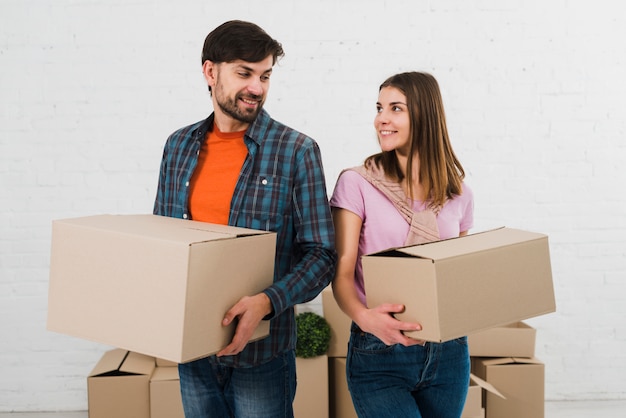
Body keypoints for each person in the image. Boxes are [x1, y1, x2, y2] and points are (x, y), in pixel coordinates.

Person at [153, 20, 336, 418]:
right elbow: (162, 243)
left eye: (265, 75)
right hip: (194, 353)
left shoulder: (296, 151)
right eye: (244, 73)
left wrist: (267, 302)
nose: (257, 87)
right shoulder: (178, 146)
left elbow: (322, 255)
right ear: (210, 71)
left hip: (262, 355)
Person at [330, 71, 474, 418]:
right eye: (379, 108)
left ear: (424, 115)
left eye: (396, 108)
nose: (382, 118)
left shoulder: (458, 194)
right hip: (379, 350)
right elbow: (342, 271)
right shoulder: (357, 183)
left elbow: (458, 274)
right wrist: (365, 318)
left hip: (448, 353)